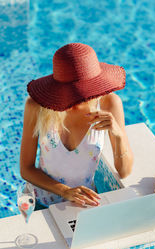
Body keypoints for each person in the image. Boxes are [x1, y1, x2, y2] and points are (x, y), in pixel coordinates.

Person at [20, 43, 134, 208]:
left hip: (85, 203)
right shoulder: (37, 106)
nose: (82, 96)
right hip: (41, 203)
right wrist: (65, 191)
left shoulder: (110, 103)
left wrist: (119, 134)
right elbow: (26, 169)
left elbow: (125, 172)